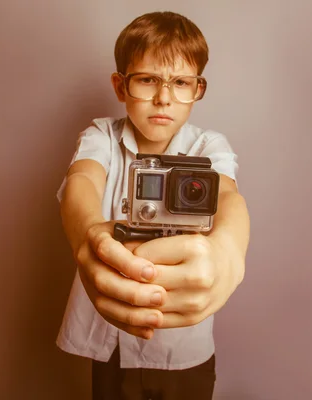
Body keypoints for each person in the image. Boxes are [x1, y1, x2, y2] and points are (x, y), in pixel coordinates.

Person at [56, 11, 250, 400]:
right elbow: (82, 181)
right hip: (110, 341)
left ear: (198, 89)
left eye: (180, 83)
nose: (164, 97)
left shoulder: (208, 147)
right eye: (147, 80)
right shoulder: (101, 137)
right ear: (121, 85)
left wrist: (228, 254)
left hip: (182, 349)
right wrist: (90, 234)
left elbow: (229, 197)